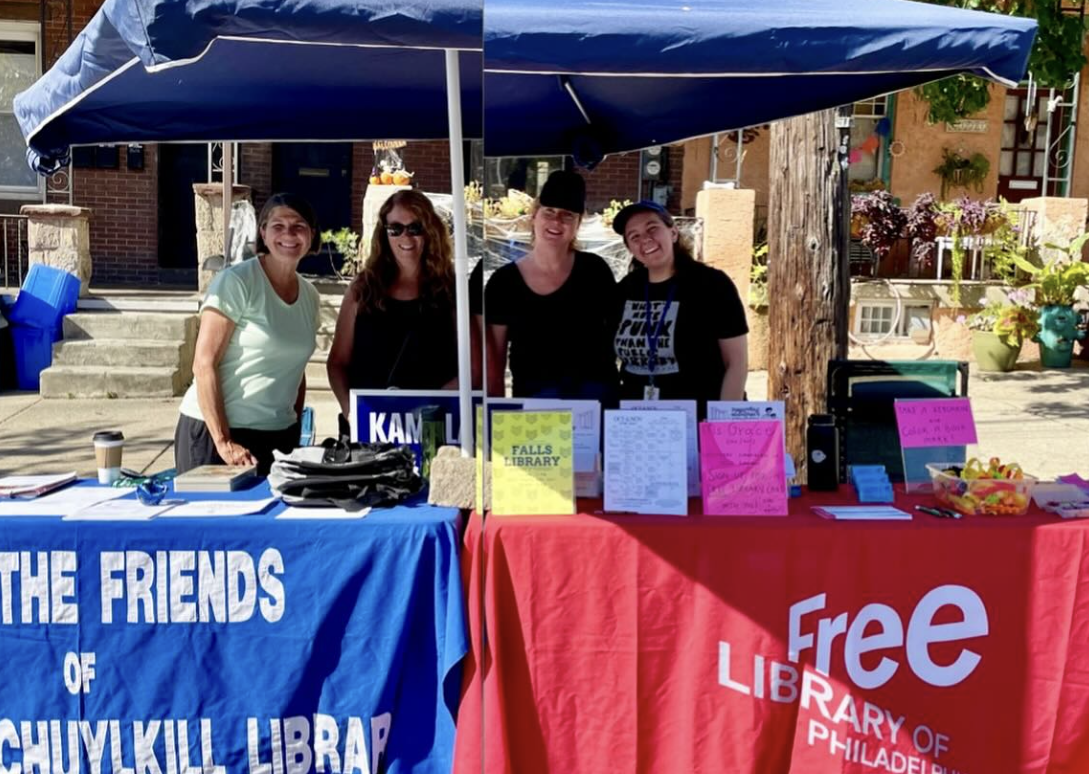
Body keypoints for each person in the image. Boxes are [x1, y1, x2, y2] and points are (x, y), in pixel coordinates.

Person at [175, 192, 321, 475]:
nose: (288, 234)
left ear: (311, 235)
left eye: (298, 226)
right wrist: (224, 441)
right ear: (263, 233)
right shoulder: (236, 282)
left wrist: (293, 427)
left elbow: (294, 368)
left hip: (278, 437)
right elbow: (203, 364)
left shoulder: (310, 296)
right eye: (278, 225)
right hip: (217, 437)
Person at [327, 190, 458, 428]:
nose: (405, 237)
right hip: (370, 425)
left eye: (415, 228)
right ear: (384, 234)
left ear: (430, 231)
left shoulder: (451, 290)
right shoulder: (362, 289)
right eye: (395, 229)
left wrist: (435, 405)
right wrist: (351, 412)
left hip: (433, 426)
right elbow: (337, 362)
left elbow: (472, 369)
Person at [485, 170, 618, 401]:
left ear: (578, 223)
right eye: (549, 212)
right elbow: (494, 363)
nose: (556, 221)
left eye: (567, 215)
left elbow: (617, 337)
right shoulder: (504, 282)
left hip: (596, 405)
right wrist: (496, 411)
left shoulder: (595, 272)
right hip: (534, 411)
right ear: (534, 215)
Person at [611, 201, 748, 414]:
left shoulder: (711, 284)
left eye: (652, 228)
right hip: (637, 422)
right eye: (634, 236)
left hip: (696, 419)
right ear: (630, 248)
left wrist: (723, 423)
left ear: (673, 233)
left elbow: (736, 363)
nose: (645, 239)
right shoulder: (626, 290)